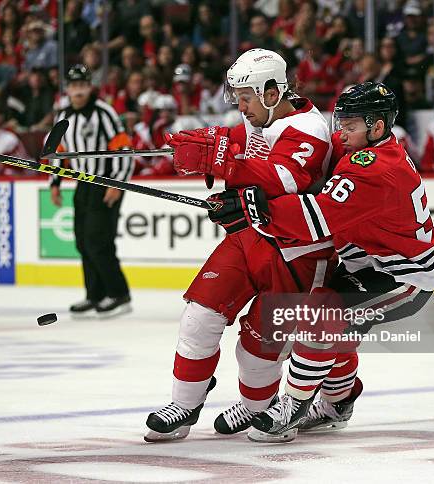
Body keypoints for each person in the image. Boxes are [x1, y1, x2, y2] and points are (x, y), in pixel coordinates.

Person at [208, 81, 434, 442]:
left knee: (323, 314)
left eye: (350, 125)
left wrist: (251, 208)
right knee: (317, 321)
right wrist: (232, 154)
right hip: (364, 262)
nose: (340, 132)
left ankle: (294, 405)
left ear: (377, 127)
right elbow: (296, 163)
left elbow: (314, 218)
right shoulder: (358, 147)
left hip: (403, 276)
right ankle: (336, 404)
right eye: (340, 121)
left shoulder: (378, 168)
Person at [144, 48, 337, 442]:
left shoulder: (308, 128)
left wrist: (222, 163)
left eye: (245, 96)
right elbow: (239, 145)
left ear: (271, 92)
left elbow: (283, 179)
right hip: (250, 240)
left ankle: (257, 408)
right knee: (199, 317)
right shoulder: (262, 118)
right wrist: (207, 142)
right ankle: (184, 404)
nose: (240, 105)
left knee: (256, 352)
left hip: (296, 253)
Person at [50, 65, 133, 318]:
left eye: (82, 85)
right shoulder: (63, 116)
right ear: (68, 89)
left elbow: (122, 149)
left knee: (99, 241)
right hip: (81, 184)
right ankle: (94, 295)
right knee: (83, 241)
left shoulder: (103, 112)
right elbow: (58, 151)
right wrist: (55, 182)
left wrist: (116, 183)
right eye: (73, 86)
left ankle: (119, 294)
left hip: (105, 183)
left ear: (89, 86)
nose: (78, 90)